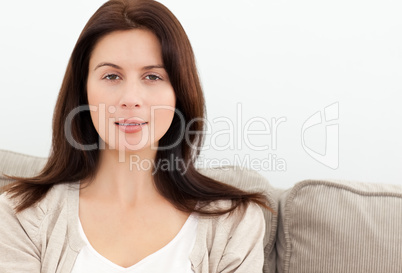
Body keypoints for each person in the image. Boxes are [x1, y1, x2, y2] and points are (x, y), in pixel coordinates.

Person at [0, 0, 273, 272]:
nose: (130, 99)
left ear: (179, 94)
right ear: (83, 91)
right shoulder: (20, 214)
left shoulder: (235, 221)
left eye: (153, 77)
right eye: (111, 76)